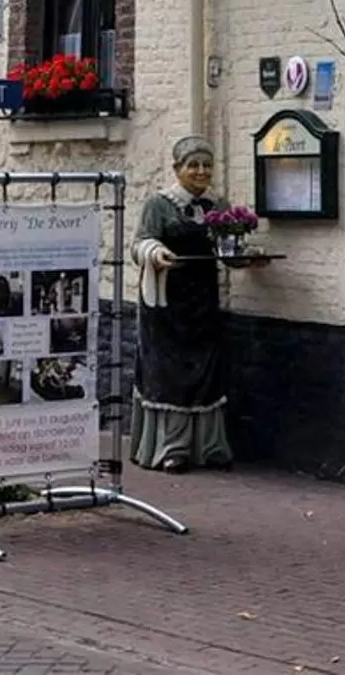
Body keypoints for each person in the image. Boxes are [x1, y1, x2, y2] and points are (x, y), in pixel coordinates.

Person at [129, 135, 232, 471]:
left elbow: (228, 248)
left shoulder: (218, 207)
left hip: (203, 300)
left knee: (206, 370)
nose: (201, 171)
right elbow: (140, 243)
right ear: (178, 169)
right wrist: (155, 253)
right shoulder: (159, 204)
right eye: (193, 165)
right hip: (166, 302)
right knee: (169, 373)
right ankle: (171, 448)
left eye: (206, 165)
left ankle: (209, 444)